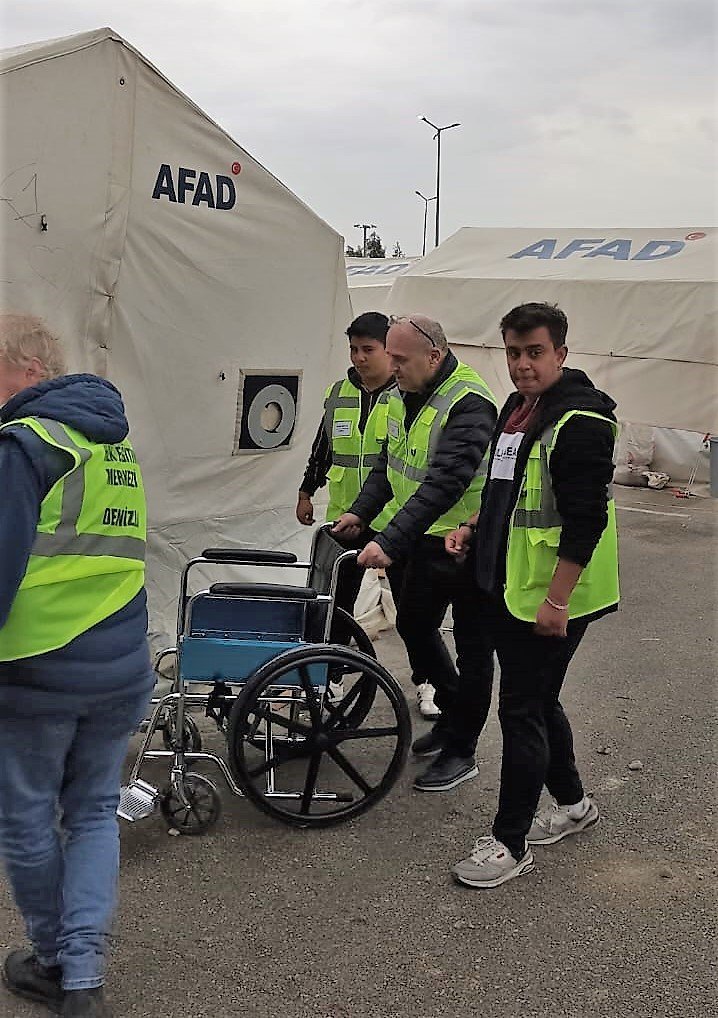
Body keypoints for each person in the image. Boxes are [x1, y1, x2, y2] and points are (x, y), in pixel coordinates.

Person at [0, 314, 154, 1016]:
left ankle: (56, 960)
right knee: (92, 814)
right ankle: (84, 979)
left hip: (36, 671)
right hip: (119, 666)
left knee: (28, 819)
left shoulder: (23, 446)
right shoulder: (114, 451)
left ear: (28, 368)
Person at [446, 302, 619, 889]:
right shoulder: (517, 412)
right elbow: (505, 493)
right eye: (514, 353)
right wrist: (472, 527)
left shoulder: (583, 422)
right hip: (508, 586)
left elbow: (585, 521)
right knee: (539, 704)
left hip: (548, 599)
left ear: (561, 354)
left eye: (535, 352)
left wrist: (558, 601)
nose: (522, 365)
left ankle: (510, 841)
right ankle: (572, 804)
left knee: (521, 710)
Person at [333, 314, 497, 771]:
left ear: (435, 355)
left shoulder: (468, 402)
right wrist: (359, 514)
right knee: (415, 626)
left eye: (400, 359)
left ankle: (463, 747)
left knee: (473, 646)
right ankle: (452, 716)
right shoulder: (401, 394)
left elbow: (445, 481)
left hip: (465, 542)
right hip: (422, 538)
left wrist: (389, 540)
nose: (393, 366)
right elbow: (389, 466)